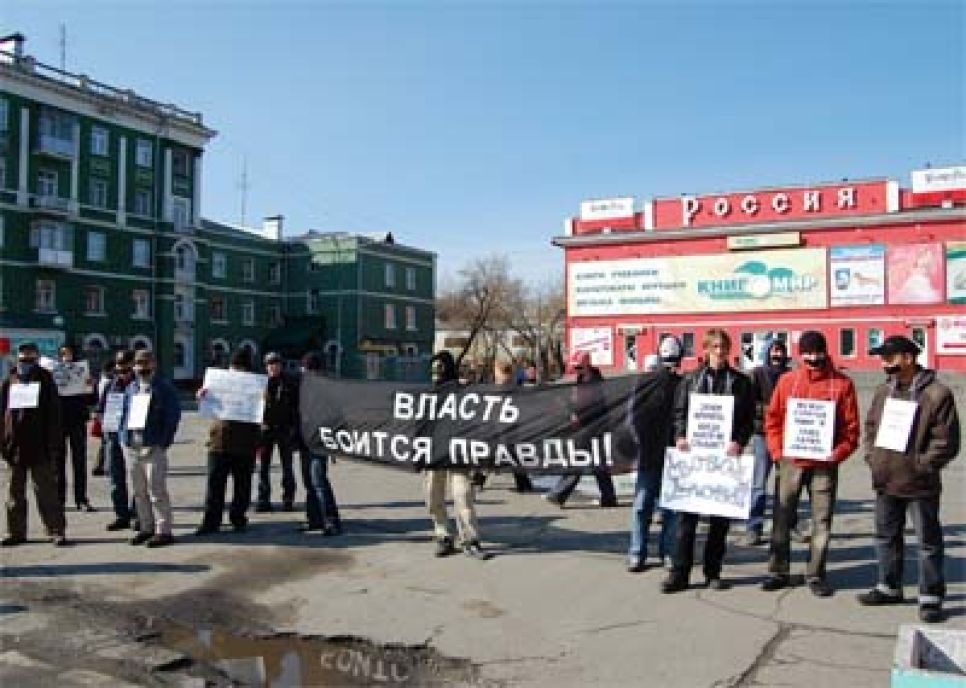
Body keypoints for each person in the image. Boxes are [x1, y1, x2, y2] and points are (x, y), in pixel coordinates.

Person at [858, 335, 960, 623]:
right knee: (886, 537)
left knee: (927, 541)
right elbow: (871, 427)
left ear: (908, 358)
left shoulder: (937, 394)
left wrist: (922, 465)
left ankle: (930, 596)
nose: (884, 362)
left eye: (889, 357)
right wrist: (873, 457)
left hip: (919, 483)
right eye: (882, 357)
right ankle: (889, 586)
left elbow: (947, 441)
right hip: (886, 478)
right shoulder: (883, 391)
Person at [761, 330, 860, 598]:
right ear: (800, 354)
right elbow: (773, 420)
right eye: (808, 354)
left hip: (824, 465)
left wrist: (837, 454)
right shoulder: (787, 381)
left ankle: (815, 573)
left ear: (826, 352)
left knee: (822, 521)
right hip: (790, 462)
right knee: (782, 518)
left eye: (818, 353)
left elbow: (851, 431)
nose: (813, 358)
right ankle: (778, 570)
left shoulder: (842, 385)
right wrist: (777, 452)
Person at [662, 329, 754, 593]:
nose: (719, 351)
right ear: (705, 350)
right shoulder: (690, 380)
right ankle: (679, 573)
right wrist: (680, 436)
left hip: (725, 458)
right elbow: (679, 413)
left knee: (719, 521)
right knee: (686, 520)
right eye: (714, 347)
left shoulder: (741, 382)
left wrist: (739, 441)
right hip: (694, 458)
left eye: (723, 347)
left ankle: (713, 572)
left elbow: (748, 419)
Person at [424, 351, 491, 560]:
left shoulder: (462, 392)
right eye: (433, 370)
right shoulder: (428, 395)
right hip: (434, 454)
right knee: (433, 497)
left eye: (440, 368)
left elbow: (477, 419)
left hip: (458, 454)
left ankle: (470, 540)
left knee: (463, 496)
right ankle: (443, 535)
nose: (436, 373)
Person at [0, 342, 68, 547]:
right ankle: (15, 532)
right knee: (14, 492)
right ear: (17, 356)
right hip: (14, 446)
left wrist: (53, 443)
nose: (25, 359)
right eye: (22, 355)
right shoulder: (10, 379)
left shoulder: (45, 379)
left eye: (30, 355)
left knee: (46, 492)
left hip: (40, 445)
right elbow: (2, 412)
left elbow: (54, 413)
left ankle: (55, 530)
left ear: (36, 357)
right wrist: (3, 442)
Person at [626, 336, 683, 573]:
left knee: (671, 509)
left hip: (674, 455)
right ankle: (636, 553)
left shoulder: (683, 384)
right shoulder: (645, 384)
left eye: (673, 357)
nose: (670, 363)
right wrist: (640, 442)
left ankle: (668, 552)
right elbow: (634, 417)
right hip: (649, 454)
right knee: (642, 506)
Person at [119, 349, 181, 547]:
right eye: (138, 364)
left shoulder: (164, 388)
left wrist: (163, 442)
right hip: (132, 445)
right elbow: (123, 414)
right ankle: (146, 528)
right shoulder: (131, 388)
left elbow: (172, 417)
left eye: (146, 363)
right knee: (138, 491)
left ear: (154, 364)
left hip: (153, 445)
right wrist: (123, 439)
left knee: (157, 491)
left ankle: (164, 531)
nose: (142, 367)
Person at [196, 349, 260, 535]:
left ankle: (238, 518)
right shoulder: (219, 383)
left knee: (242, 485)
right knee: (215, 484)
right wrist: (201, 396)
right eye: (233, 368)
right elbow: (208, 405)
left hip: (245, 443)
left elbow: (265, 413)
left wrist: (264, 401)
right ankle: (211, 521)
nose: (235, 372)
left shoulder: (255, 386)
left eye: (240, 369)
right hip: (219, 441)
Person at [544, 352, 618, 508]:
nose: (577, 370)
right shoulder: (581, 379)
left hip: (594, 427)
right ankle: (608, 496)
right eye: (575, 368)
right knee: (597, 463)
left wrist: (573, 408)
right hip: (586, 427)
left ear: (587, 365)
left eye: (579, 367)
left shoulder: (594, 382)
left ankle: (559, 494)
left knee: (581, 460)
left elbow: (588, 405)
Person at [744, 337, 792, 546]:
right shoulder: (756, 374)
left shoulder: (791, 376)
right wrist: (771, 410)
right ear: (766, 353)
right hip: (762, 435)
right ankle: (753, 527)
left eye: (780, 351)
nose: (777, 355)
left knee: (788, 485)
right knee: (758, 484)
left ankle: (788, 525)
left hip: (787, 436)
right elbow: (748, 403)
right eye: (774, 351)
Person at [297, 351, 342, 535]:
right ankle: (314, 519)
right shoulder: (305, 387)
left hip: (319, 441)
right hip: (305, 440)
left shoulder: (325, 389)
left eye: (305, 369)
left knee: (318, 481)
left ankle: (331, 520)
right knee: (309, 482)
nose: (303, 372)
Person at [256, 351, 299, 512]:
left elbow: (296, 407)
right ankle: (263, 499)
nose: (273, 367)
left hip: (284, 429)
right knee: (263, 467)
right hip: (265, 430)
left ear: (281, 365)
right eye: (270, 364)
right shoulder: (259, 383)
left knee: (287, 466)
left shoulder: (289, 382)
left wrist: (293, 427)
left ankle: (288, 499)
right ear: (266, 367)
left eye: (276, 364)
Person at [100, 350, 137, 531]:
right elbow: (101, 408)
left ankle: (138, 514)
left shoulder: (140, 385)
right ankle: (121, 515)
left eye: (126, 370)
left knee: (137, 479)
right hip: (113, 436)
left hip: (134, 437)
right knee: (115, 478)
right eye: (119, 370)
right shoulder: (111, 385)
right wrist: (102, 419)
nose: (122, 374)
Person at [56, 343, 95, 511]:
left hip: (77, 421)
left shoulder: (81, 372)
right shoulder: (55, 374)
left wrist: (90, 386)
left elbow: (91, 400)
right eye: (63, 354)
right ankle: (59, 499)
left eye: (69, 354)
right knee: (58, 462)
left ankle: (81, 498)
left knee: (79, 461)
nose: (66, 357)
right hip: (59, 422)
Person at [494, 360, 532, 493]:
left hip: (506, 424)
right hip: (507, 424)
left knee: (506, 452)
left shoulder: (506, 386)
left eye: (496, 372)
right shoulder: (510, 385)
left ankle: (523, 482)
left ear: (502, 372)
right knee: (509, 453)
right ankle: (524, 482)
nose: (495, 375)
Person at [91, 358, 115, 476]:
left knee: (105, 442)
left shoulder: (101, 381)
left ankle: (100, 465)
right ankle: (102, 466)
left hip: (102, 413)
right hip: (106, 414)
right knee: (106, 442)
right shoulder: (109, 383)